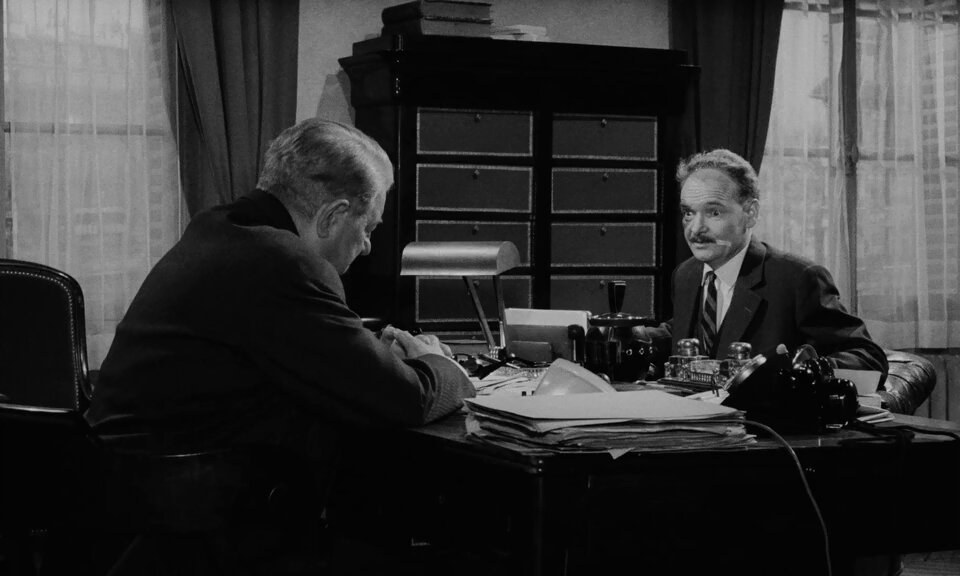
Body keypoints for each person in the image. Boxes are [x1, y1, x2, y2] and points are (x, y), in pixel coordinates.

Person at [83, 119, 475, 571]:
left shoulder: (218, 229)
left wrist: (373, 355)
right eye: (368, 227)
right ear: (332, 215)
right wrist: (438, 362)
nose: (368, 246)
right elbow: (406, 399)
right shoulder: (284, 263)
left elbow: (286, 347)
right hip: (201, 520)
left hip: (127, 503)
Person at [645, 148, 887, 374]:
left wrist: (802, 371)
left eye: (714, 212)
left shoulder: (798, 279)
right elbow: (693, 331)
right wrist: (636, 335)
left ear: (750, 214)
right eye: (688, 213)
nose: (695, 229)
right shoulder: (686, 274)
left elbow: (868, 357)